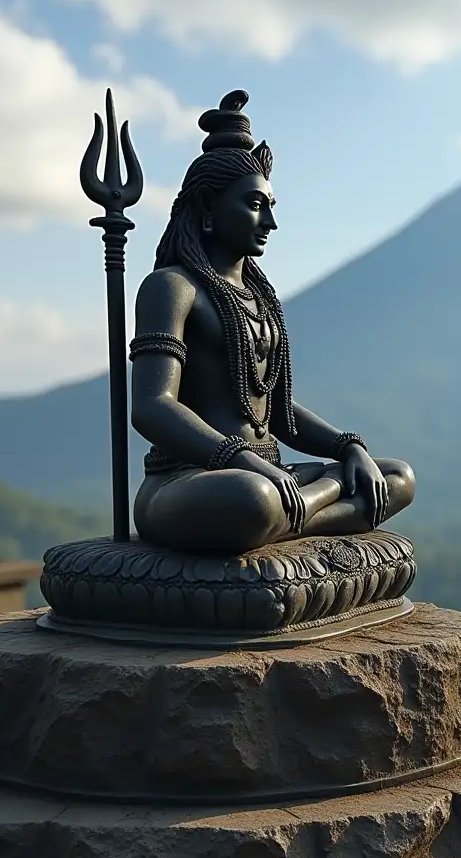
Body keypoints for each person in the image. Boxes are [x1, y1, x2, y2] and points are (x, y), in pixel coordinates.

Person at [128, 90, 415, 553]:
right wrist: (241, 459)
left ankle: (298, 507)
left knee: (395, 477)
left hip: (273, 474)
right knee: (254, 499)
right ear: (206, 208)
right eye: (256, 204)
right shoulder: (171, 286)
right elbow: (152, 405)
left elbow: (277, 412)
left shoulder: (260, 297)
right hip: (190, 484)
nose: (271, 222)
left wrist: (347, 448)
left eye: (271, 205)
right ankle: (313, 500)